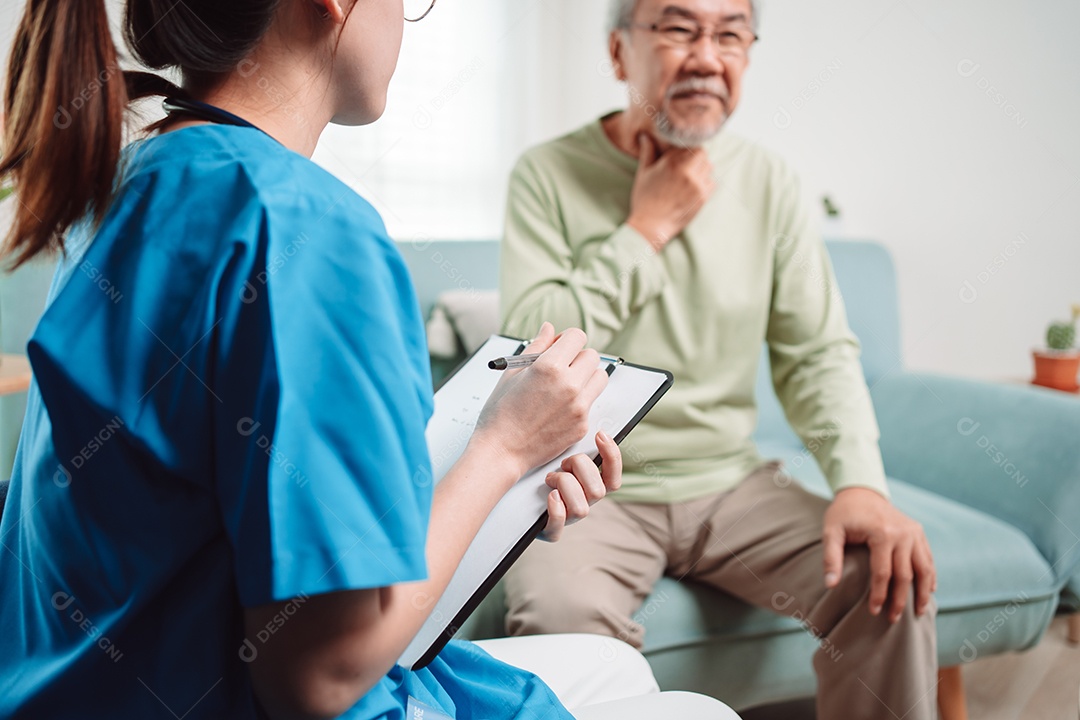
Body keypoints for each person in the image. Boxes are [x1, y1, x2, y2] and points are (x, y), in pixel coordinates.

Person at [0, 0, 741, 718]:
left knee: (617, 666)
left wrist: (506, 487)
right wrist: (503, 449)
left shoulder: (127, 179)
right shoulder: (310, 229)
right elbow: (319, 677)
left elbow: (227, 508)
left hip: (100, 687)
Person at [498, 1, 939, 718]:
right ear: (619, 54)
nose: (707, 56)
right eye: (678, 28)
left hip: (732, 484)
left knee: (886, 576)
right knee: (559, 625)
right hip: (587, 489)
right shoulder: (545, 174)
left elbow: (816, 353)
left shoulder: (770, 182)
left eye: (731, 34)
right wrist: (648, 226)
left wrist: (861, 482)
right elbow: (533, 354)